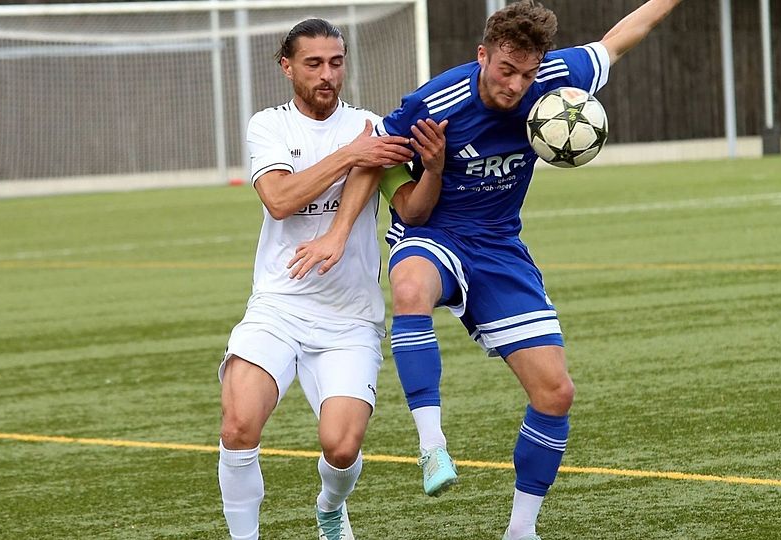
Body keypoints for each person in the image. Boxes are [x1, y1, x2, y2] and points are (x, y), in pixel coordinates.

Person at [375, 1, 684, 538]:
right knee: (409, 287)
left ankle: (521, 530)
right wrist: (419, 181)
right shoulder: (434, 103)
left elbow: (625, 35)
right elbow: (384, 169)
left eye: (527, 74)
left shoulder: (557, 80)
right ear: (482, 56)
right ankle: (432, 445)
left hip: (498, 247)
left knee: (555, 393)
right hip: (434, 232)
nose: (517, 85)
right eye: (506, 70)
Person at [216, 18, 442, 540]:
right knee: (238, 424)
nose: (327, 74)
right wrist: (350, 156)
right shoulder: (269, 126)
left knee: (341, 448)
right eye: (314, 63)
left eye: (336, 63)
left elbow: (413, 210)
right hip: (278, 307)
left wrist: (432, 170)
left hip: (349, 318)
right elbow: (279, 200)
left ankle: (330, 507)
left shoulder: (370, 126)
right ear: (287, 66)